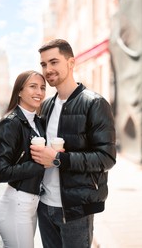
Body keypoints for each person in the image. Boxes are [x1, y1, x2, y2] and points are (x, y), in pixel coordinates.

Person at [30, 39, 116, 248]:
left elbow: (107, 158)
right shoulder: (46, 106)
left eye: (54, 62)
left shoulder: (94, 103)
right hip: (44, 206)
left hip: (76, 210)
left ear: (71, 63)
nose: (48, 69)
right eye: (43, 64)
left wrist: (60, 159)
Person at [0, 70, 46, 248]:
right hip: (16, 205)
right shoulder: (10, 123)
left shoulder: (37, 121)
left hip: (31, 204)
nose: (39, 92)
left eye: (42, 87)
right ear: (20, 91)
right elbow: (1, 172)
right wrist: (40, 165)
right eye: (33, 86)